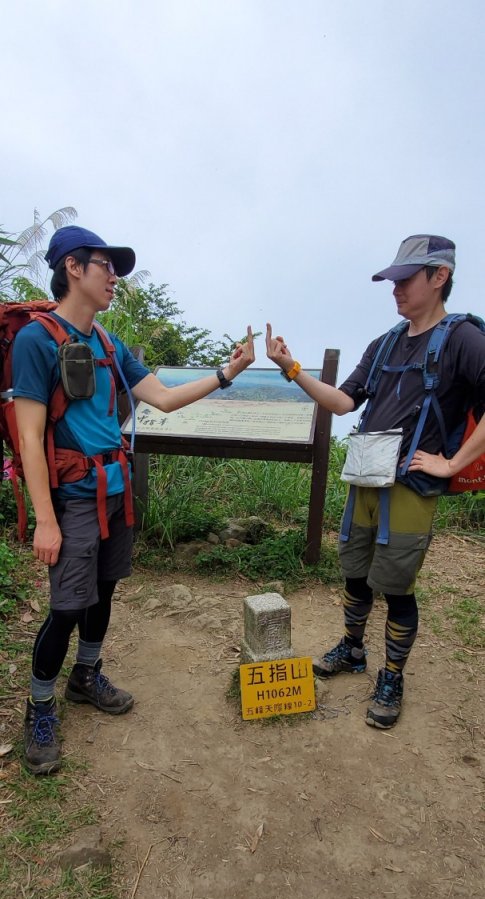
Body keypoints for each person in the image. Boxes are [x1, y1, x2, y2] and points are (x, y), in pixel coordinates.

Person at [13, 225, 255, 774]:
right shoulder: (36, 341)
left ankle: (85, 676)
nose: (114, 276)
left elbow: (164, 399)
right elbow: (29, 437)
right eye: (105, 265)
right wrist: (44, 521)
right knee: (66, 606)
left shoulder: (107, 344)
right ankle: (40, 705)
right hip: (73, 498)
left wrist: (226, 372)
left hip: (115, 491)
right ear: (73, 268)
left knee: (103, 591)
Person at [266, 234, 485, 729]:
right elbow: (344, 402)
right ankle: (352, 648)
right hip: (365, 476)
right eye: (393, 280)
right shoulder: (385, 342)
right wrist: (291, 368)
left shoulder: (463, 339)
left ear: (440, 276)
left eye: (406, 279)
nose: (396, 289)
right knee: (355, 573)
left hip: (409, 487)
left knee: (397, 586)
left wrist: (451, 465)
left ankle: (392, 675)